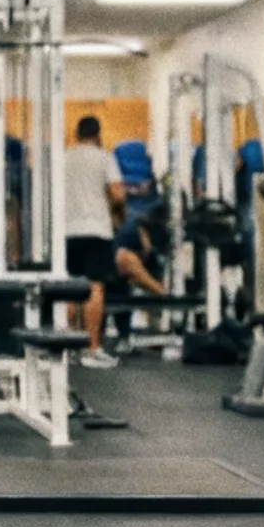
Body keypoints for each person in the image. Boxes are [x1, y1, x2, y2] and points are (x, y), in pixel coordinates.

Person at [65, 115, 125, 369]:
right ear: (98, 134)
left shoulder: (64, 157)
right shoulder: (104, 157)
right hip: (95, 229)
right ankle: (91, 348)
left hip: (67, 230)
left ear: (76, 133)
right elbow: (117, 194)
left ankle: (68, 347)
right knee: (94, 287)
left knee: (69, 289)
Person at [108, 210, 170, 351]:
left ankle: (127, 336)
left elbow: (154, 278)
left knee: (128, 289)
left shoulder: (153, 248)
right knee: (119, 288)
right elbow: (124, 262)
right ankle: (115, 337)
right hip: (108, 271)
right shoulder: (127, 232)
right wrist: (159, 291)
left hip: (124, 276)